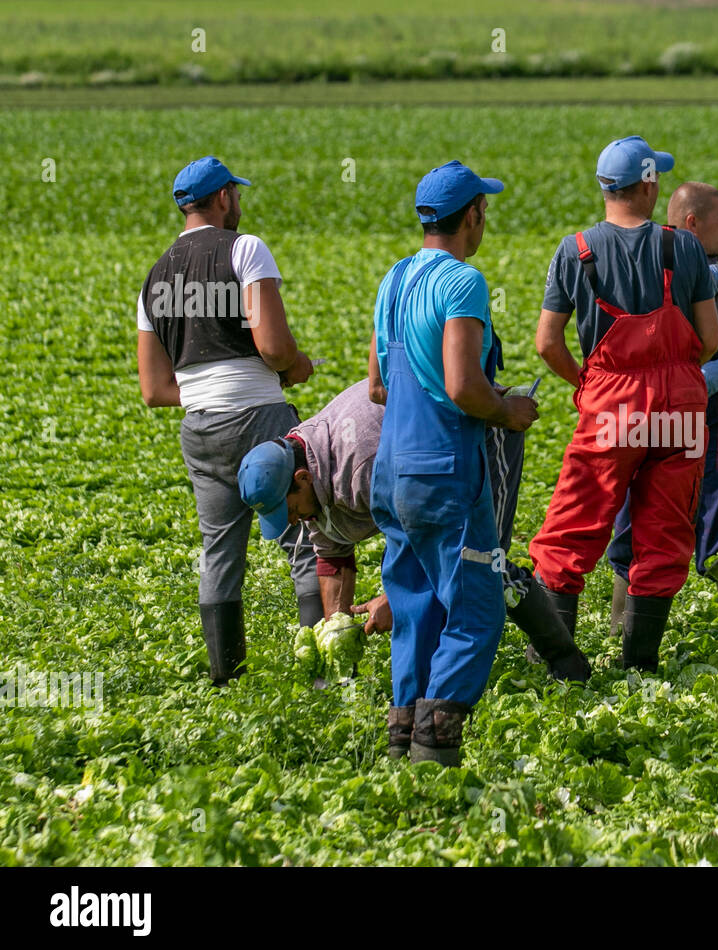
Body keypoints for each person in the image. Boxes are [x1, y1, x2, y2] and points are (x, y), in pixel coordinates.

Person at [237, 379, 589, 708]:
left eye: (291, 511)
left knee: (480, 561)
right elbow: (332, 554)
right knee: (457, 570)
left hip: (476, 429)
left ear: (301, 479)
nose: (295, 521)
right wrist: (337, 634)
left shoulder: (359, 467)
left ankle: (564, 660)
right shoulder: (306, 462)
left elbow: (419, 540)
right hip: (425, 456)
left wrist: (394, 599)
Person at [367, 160, 539, 766]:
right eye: (483, 211)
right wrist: (508, 410)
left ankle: (401, 748)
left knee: (415, 609)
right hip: (445, 468)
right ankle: (435, 755)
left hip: (391, 472)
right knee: (475, 608)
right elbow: (466, 386)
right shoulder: (462, 282)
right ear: (473, 216)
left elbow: (379, 387)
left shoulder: (394, 279)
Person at [529, 136, 718, 671]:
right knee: (664, 532)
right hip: (680, 404)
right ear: (649, 183)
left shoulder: (576, 250)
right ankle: (639, 664)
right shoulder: (680, 247)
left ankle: (553, 663)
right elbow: (707, 339)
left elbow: (547, 342)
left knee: (574, 525)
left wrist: (588, 380)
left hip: (612, 403)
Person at [135, 155, 319, 686]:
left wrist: (207, 390)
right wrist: (297, 367)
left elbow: (154, 390)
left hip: (200, 428)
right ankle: (319, 675)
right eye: (235, 195)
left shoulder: (154, 277)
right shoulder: (245, 248)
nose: (238, 204)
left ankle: (226, 679)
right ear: (222, 198)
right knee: (305, 538)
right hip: (260, 417)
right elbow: (274, 346)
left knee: (219, 554)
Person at [604, 182, 718, 645]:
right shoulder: (638, 267)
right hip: (648, 417)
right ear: (694, 223)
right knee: (634, 528)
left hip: (710, 421)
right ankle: (624, 638)